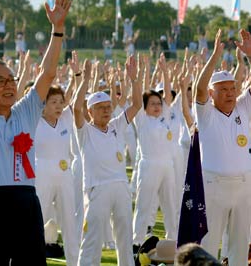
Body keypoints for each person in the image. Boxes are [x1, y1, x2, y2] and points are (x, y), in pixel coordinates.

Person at [0, 0, 71, 265]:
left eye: (11, 79)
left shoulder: (25, 112)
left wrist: (57, 29)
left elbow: (47, 73)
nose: (9, 85)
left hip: (25, 202)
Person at [74, 56, 141, 266]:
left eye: (108, 106)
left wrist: (134, 79)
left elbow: (138, 104)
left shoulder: (116, 125)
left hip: (120, 186)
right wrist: (84, 80)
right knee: (92, 240)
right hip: (97, 188)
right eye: (100, 107)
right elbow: (76, 109)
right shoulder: (84, 131)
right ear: (91, 111)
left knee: (125, 237)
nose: (106, 110)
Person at [194, 28, 251, 265]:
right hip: (213, 186)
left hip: (244, 185)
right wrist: (215, 56)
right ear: (212, 93)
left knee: (239, 246)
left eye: (232, 89)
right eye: (223, 90)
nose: (229, 94)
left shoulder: (243, 107)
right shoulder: (206, 113)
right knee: (208, 245)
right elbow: (199, 88)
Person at [132, 54, 178, 247]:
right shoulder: (142, 119)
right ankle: (136, 242)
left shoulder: (165, 116)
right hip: (149, 164)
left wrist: (166, 73)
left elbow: (167, 94)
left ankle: (174, 241)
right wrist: (142, 72)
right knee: (144, 205)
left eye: (159, 103)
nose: (158, 106)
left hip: (167, 165)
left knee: (170, 206)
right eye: (153, 104)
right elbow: (139, 95)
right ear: (145, 107)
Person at [34, 85, 79, 266]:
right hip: (41, 174)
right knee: (37, 222)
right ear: (43, 105)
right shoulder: (34, 121)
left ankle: (74, 262)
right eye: (53, 102)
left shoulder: (66, 119)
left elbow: (75, 96)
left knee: (69, 222)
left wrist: (78, 77)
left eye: (61, 102)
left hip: (65, 175)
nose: (59, 106)